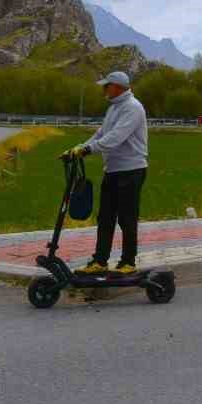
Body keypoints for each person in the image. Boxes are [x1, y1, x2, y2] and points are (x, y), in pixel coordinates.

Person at [65, 71, 149, 275]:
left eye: (107, 86)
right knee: (105, 217)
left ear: (118, 87)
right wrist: (78, 149)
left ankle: (128, 262)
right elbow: (101, 134)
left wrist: (89, 150)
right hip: (113, 169)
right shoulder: (113, 107)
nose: (104, 89)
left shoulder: (133, 108)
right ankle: (100, 261)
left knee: (126, 218)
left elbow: (116, 137)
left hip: (131, 170)